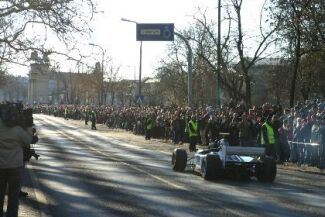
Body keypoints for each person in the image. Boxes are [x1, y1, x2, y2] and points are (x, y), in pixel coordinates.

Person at [0, 114, 33, 217]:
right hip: (15, 166)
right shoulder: (18, 130)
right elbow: (28, 141)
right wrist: (28, 127)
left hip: (1, 165)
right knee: (13, 196)